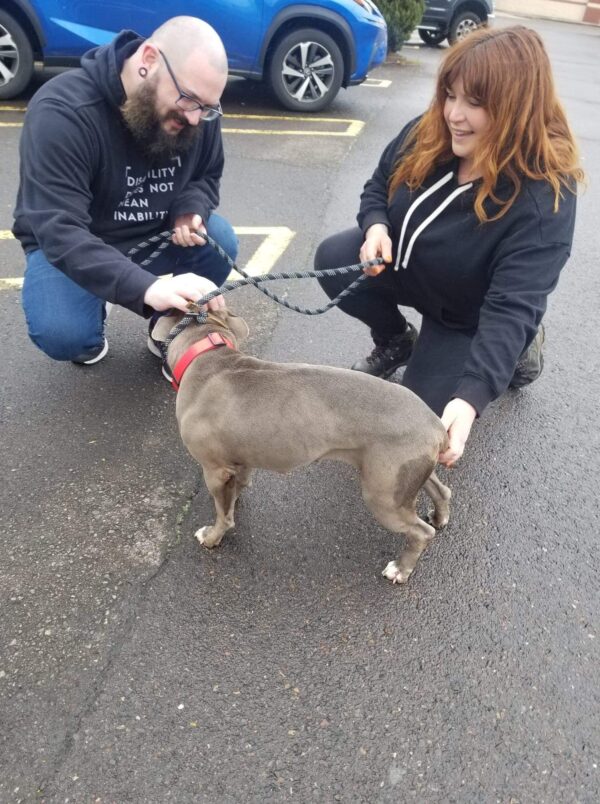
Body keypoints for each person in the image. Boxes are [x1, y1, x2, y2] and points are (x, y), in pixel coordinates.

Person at [315, 25, 583, 467]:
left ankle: (522, 352)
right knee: (333, 258)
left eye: (475, 103)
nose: (454, 113)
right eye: (450, 95)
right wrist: (377, 227)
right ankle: (397, 340)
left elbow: (511, 307)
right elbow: (379, 184)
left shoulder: (543, 199)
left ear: (517, 109)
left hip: (470, 315)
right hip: (411, 269)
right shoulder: (433, 129)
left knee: (416, 418)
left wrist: (472, 394)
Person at [13, 16, 234, 369]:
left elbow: (206, 174)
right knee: (64, 333)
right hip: (77, 241)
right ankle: (93, 311)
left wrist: (189, 208)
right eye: (189, 100)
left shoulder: (196, 109)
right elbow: (60, 230)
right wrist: (147, 289)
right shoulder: (63, 111)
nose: (195, 119)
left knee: (219, 241)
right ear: (148, 60)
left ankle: (167, 329)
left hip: (153, 233)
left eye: (207, 108)